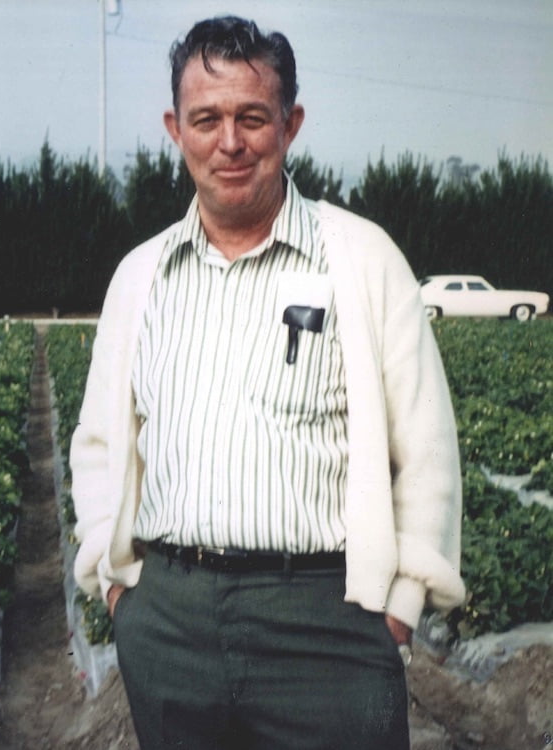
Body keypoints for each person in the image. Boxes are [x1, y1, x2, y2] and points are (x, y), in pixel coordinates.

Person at [70, 15, 464, 749]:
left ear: (291, 123)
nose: (230, 142)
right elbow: (97, 443)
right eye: (206, 119)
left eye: (252, 116)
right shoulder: (140, 276)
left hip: (328, 623)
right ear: (174, 127)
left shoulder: (363, 259)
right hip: (170, 622)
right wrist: (121, 592)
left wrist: (401, 606)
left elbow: (428, 447)